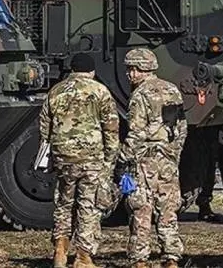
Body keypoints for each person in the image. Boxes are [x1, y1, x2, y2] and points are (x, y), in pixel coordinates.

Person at [39, 53, 119, 268]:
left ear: (72, 70)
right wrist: (110, 158)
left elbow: (44, 126)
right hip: (91, 157)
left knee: (64, 203)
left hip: (63, 156)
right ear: (92, 71)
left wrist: (51, 151)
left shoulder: (55, 91)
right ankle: (83, 257)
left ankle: (60, 250)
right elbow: (111, 127)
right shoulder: (100, 91)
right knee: (88, 205)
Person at [119, 48, 187, 268]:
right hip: (167, 159)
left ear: (143, 69)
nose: (130, 74)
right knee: (168, 208)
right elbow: (181, 128)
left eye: (133, 69)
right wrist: (174, 153)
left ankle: (140, 259)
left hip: (145, 161)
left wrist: (123, 157)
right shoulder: (172, 90)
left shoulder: (140, 95)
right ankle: (171, 256)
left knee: (141, 208)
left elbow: (136, 132)